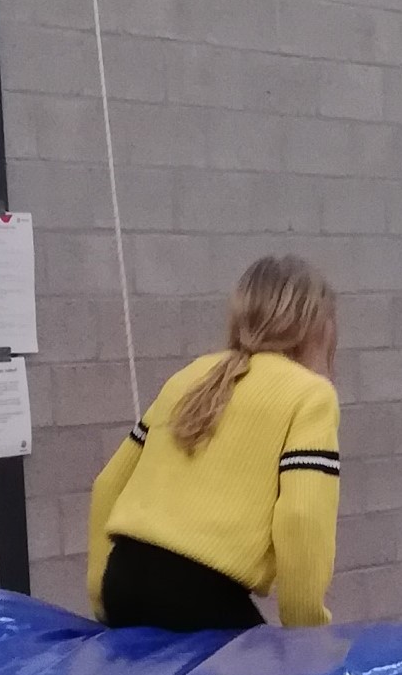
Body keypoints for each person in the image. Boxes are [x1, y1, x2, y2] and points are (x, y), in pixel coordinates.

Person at [86, 255, 341, 632]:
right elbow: (302, 516)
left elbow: (108, 484)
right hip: (198, 594)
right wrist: (307, 630)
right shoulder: (310, 395)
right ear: (318, 328)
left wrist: (101, 594)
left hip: (123, 577)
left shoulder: (188, 377)